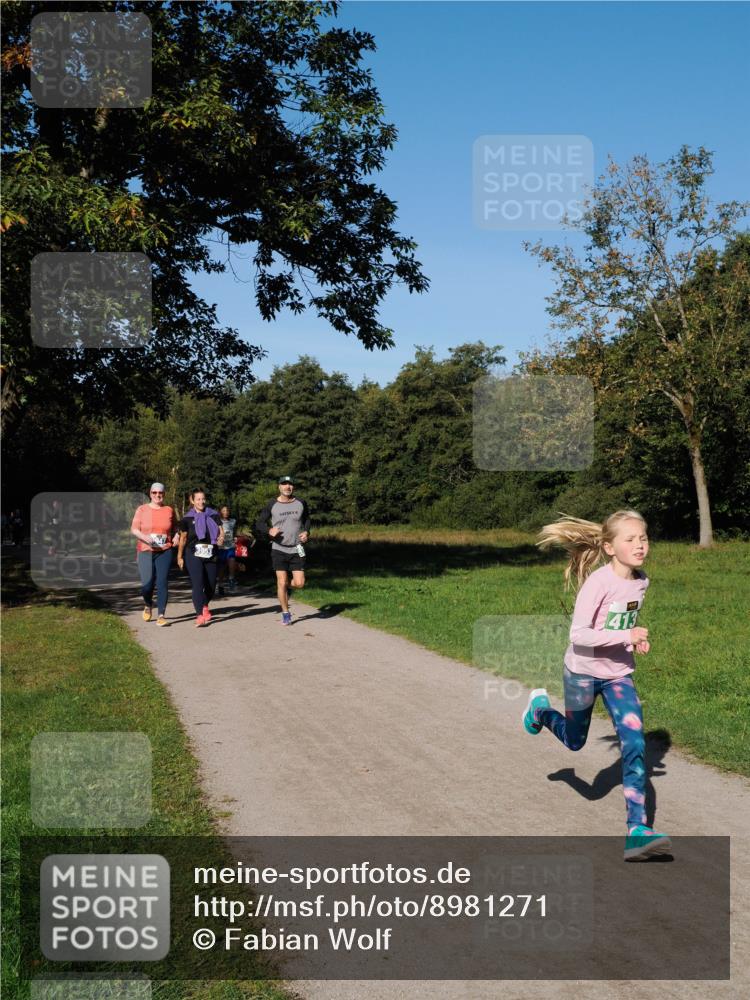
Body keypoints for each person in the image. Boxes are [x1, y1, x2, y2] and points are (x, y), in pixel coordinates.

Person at [525, 510, 671, 862]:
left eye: (643, 538)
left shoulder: (642, 581)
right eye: (630, 539)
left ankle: (637, 831)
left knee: (634, 741)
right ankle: (541, 712)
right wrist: (625, 636)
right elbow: (579, 636)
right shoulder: (598, 583)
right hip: (582, 672)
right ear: (609, 547)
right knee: (575, 741)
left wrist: (634, 640)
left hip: (618, 674)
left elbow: (621, 622)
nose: (640, 545)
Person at [255, 476, 310, 625]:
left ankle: (286, 587)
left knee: (300, 583)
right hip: (279, 548)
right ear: (279, 487)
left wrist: (306, 532)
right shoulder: (272, 504)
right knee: (281, 581)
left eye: (290, 484)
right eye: (284, 484)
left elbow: (307, 519)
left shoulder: (301, 502)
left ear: (293, 487)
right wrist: (269, 530)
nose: (287, 487)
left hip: (297, 548)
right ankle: (286, 613)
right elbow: (259, 523)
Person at [130, 484, 179, 626]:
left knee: (162, 582)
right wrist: (144, 537)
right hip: (145, 551)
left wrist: (176, 535)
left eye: (160, 492)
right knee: (147, 585)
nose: (158, 495)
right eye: (155, 492)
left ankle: (161, 615)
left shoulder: (169, 510)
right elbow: (134, 529)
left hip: (164, 551)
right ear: (150, 493)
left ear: (164, 494)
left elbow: (176, 527)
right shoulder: (142, 509)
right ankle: (148, 603)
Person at [177, 489, 224, 627]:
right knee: (198, 583)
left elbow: (221, 532)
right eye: (198, 499)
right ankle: (199, 615)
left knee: (211, 585)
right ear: (192, 501)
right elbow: (183, 538)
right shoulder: (187, 519)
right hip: (193, 553)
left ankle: (204, 605)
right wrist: (179, 557)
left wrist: (221, 538)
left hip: (211, 552)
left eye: (203, 499)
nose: (201, 502)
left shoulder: (213, 515)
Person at [217, 504, 238, 596]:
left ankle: (231, 579)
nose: (225, 512)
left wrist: (235, 537)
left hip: (230, 546)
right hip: (221, 547)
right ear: (220, 512)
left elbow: (235, 532)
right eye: (223, 511)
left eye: (227, 511)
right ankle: (220, 585)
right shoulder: (218, 521)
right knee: (222, 567)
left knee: (232, 561)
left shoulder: (233, 521)